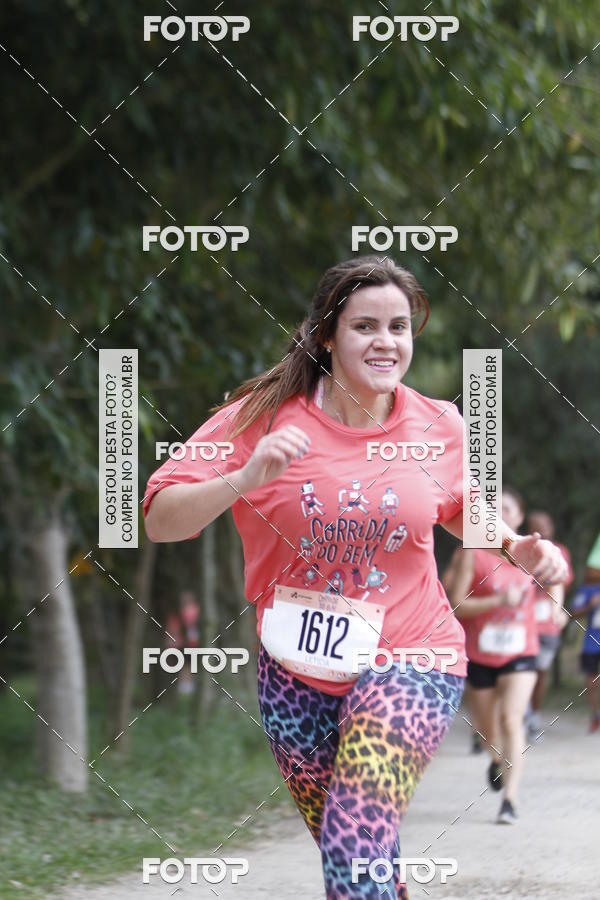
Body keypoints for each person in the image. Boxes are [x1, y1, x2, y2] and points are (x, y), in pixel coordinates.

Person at [143, 256, 567, 898]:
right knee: (361, 852)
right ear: (325, 335)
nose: (385, 341)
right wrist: (244, 478)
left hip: (414, 655)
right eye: (365, 326)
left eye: (399, 326)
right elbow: (158, 517)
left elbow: (457, 505)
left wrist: (514, 545)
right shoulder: (259, 416)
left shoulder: (439, 424)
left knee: (354, 828)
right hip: (295, 672)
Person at [451, 487, 547, 825]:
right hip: (480, 654)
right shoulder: (473, 552)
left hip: (521, 653)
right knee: (487, 732)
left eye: (508, 509)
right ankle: (495, 759)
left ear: (520, 517)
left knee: (511, 719)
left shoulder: (533, 554)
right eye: (496, 510)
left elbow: (556, 580)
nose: (503, 515)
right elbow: (458, 604)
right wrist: (496, 602)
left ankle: (509, 800)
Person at [525, 510, 573, 740]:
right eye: (535, 527)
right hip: (522, 625)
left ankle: (532, 718)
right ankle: (516, 717)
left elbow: (562, 583)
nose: (541, 531)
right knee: (521, 673)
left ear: (552, 527)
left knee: (540, 673)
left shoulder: (560, 552)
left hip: (547, 627)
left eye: (544, 526)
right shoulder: (521, 550)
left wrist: (559, 610)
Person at [571, 531, 600, 733]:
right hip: (591, 641)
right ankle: (595, 713)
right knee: (592, 680)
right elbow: (573, 613)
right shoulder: (589, 588)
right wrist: (590, 606)